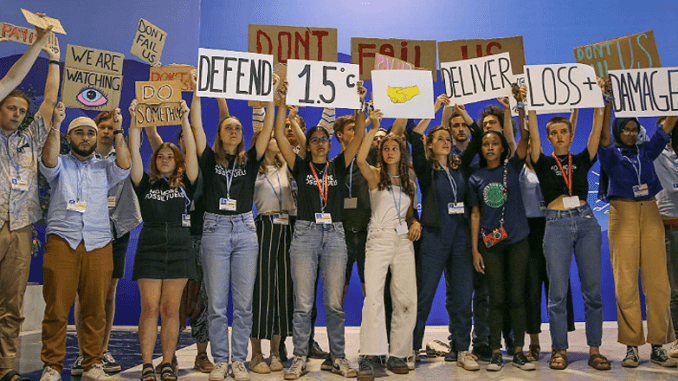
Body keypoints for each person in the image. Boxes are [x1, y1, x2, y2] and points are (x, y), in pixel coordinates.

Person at [191, 74, 278, 381]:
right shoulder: (207, 157)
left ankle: (238, 361)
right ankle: (220, 361)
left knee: (243, 304)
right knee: (215, 303)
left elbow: (266, 128)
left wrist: (269, 96)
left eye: (238, 128)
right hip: (214, 230)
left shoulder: (250, 159)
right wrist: (199, 95)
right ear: (220, 133)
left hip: (244, 230)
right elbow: (197, 127)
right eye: (228, 126)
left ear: (243, 135)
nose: (234, 130)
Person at [278, 83, 365, 380]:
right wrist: (282, 107)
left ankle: (338, 357)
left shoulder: (339, 166)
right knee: (303, 303)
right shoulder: (301, 168)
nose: (318, 143)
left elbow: (360, 136)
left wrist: (359, 104)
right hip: (304, 234)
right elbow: (278, 135)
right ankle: (299, 357)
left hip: (336, 235)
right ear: (307, 145)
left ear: (330, 145)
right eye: (313, 140)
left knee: (333, 304)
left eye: (323, 139)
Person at [39, 107, 131, 381]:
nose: (86, 137)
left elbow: (125, 167)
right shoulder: (60, 164)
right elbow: (47, 162)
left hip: (99, 242)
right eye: (79, 132)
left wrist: (118, 129)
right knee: (56, 308)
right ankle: (52, 366)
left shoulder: (106, 167)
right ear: (70, 138)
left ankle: (92, 363)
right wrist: (56, 123)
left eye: (91, 133)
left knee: (95, 309)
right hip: (62, 239)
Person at [525, 83, 610, 370]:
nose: (559, 136)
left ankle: (595, 350)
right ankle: (559, 349)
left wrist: (599, 99)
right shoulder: (542, 159)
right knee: (557, 292)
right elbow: (532, 131)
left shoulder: (583, 158)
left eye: (564, 131)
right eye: (554, 132)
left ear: (571, 135)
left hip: (586, 222)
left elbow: (597, 128)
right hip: (556, 224)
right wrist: (530, 103)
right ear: (548, 138)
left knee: (592, 291)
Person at [0, 22, 59, 381]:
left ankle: (4, 366)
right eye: (11, 108)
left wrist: (54, 60)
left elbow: (50, 102)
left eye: (22, 110)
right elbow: (9, 77)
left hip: (21, 227)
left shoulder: (30, 139)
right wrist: (38, 42)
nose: (17, 114)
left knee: (11, 305)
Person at [407, 94, 482, 371]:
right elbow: (412, 136)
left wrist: (463, 112)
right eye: (440, 138)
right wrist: (435, 109)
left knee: (462, 296)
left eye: (448, 139)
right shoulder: (426, 169)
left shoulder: (458, 164)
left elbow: (477, 136)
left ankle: (462, 349)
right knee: (424, 295)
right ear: (430, 145)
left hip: (461, 237)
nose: (446, 142)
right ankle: (412, 348)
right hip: (434, 237)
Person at [599, 110, 678, 368]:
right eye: (626, 129)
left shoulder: (646, 151)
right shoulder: (611, 154)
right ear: (618, 131)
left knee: (659, 284)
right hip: (622, 214)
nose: (631, 133)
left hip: (650, 211)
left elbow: (667, 126)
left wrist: (671, 96)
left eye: (634, 129)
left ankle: (658, 346)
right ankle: (632, 347)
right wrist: (606, 104)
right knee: (626, 283)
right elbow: (602, 135)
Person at [128, 99, 199, 381]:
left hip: (181, 247)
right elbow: (134, 148)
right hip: (150, 246)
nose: (165, 159)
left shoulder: (188, 183)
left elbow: (192, 149)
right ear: (155, 161)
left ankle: (167, 363)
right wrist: (135, 118)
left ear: (177, 161)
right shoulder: (144, 182)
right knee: (150, 308)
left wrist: (184, 118)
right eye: (160, 156)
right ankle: (148, 364)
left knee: (171, 310)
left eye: (170, 156)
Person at [70, 110, 142, 376]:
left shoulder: (123, 153)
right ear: (95, 129)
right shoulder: (82, 154)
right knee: (85, 293)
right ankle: (82, 352)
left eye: (113, 128)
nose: (108, 132)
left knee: (109, 294)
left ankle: (102, 349)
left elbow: (133, 139)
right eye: (104, 127)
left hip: (117, 228)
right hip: (87, 229)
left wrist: (126, 122)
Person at [355, 109, 421, 380]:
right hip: (379, 238)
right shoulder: (374, 175)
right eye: (385, 148)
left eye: (394, 148)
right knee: (374, 298)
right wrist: (373, 127)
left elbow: (409, 212)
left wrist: (416, 222)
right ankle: (369, 355)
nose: (390, 152)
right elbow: (359, 158)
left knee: (406, 298)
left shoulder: (410, 179)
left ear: (401, 152)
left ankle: (398, 353)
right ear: (381, 152)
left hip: (403, 240)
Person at [144, 123, 215, 374]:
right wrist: (148, 119)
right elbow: (155, 141)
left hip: (203, 238)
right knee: (171, 303)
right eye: (185, 137)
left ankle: (201, 354)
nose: (190, 141)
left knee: (201, 299)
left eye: (195, 136)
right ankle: (169, 355)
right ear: (179, 142)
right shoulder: (171, 165)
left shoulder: (207, 163)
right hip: (176, 239)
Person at [468, 119, 535, 371]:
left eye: (495, 143)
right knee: (495, 298)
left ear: (502, 147)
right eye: (485, 144)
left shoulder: (514, 166)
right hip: (490, 244)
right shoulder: (476, 175)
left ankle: (518, 351)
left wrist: (518, 108)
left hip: (518, 240)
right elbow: (475, 214)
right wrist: (475, 249)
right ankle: (496, 352)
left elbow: (525, 139)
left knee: (517, 296)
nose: (490, 147)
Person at [248, 125, 297, 374]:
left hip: (288, 228)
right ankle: (256, 353)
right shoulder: (251, 169)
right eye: (272, 137)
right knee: (262, 289)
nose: (277, 139)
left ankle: (276, 352)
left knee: (283, 290)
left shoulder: (286, 166)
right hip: (264, 226)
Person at [655, 117, 678, 358]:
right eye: (666, 127)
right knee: (675, 290)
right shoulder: (655, 153)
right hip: (669, 227)